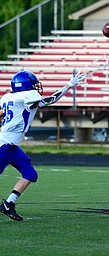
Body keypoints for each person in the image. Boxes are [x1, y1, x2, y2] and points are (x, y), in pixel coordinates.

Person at [0, 70, 86, 221]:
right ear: (25, 86)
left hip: (11, 146)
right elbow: (50, 100)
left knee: (30, 174)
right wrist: (69, 85)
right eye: (33, 84)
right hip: (4, 146)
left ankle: (9, 204)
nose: (36, 87)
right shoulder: (27, 95)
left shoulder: (7, 97)